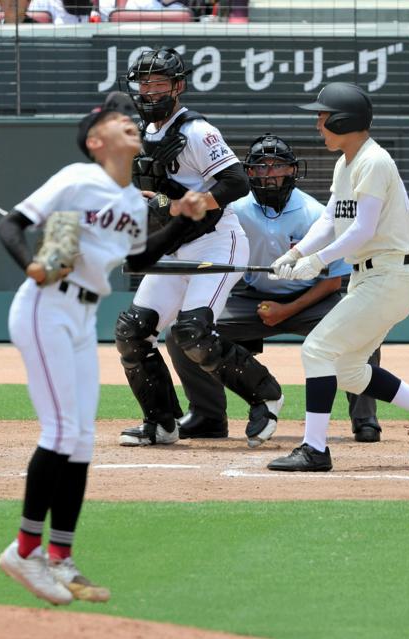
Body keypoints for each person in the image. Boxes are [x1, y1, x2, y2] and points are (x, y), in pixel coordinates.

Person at [0, 91, 207, 605]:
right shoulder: (77, 179)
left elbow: (140, 259)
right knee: (62, 430)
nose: (130, 123)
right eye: (118, 120)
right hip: (45, 305)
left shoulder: (133, 200)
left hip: (82, 313)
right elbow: (11, 225)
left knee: (82, 439)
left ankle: (61, 559)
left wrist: (186, 218)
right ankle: (24, 552)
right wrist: (31, 263)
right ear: (96, 141)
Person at [266, 82, 409, 472]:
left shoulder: (375, 161)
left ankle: (314, 450)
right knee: (348, 369)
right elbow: (330, 219)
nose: (319, 124)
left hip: (388, 276)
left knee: (317, 350)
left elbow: (363, 229)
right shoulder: (347, 162)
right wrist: (296, 252)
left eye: (323, 117)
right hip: (371, 278)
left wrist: (318, 261)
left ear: (343, 119)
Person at [115, 47, 284, 449]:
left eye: (158, 83)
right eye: (143, 83)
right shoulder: (141, 133)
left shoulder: (196, 131)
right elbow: (146, 194)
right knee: (133, 332)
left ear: (178, 86)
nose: (149, 91)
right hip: (173, 245)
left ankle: (266, 396)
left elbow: (235, 183)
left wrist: (177, 202)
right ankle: (161, 423)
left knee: (193, 334)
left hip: (216, 240)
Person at [166, 133, 383, 444]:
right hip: (250, 298)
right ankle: (208, 416)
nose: (269, 174)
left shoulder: (314, 213)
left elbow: (334, 281)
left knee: (362, 330)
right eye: (260, 167)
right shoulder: (233, 210)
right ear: (248, 173)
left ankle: (365, 420)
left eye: (277, 166)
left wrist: (287, 310)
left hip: (311, 299)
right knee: (181, 333)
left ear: (292, 171)